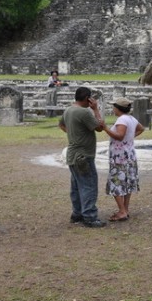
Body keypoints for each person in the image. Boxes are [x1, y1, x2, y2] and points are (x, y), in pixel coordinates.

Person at [58, 87, 106, 227]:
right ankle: (89, 216)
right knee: (89, 185)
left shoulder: (69, 110)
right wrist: (96, 109)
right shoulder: (84, 112)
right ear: (87, 99)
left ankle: (77, 213)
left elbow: (61, 125)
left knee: (77, 186)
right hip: (83, 155)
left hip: (72, 154)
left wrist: (74, 134)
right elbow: (100, 127)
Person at [102, 97, 144, 222]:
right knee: (127, 182)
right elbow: (141, 128)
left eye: (114, 106)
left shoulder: (122, 120)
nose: (113, 108)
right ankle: (125, 209)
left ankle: (122, 211)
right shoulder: (131, 118)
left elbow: (119, 136)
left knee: (116, 182)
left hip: (119, 157)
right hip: (129, 155)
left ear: (118, 108)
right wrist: (130, 138)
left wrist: (105, 128)